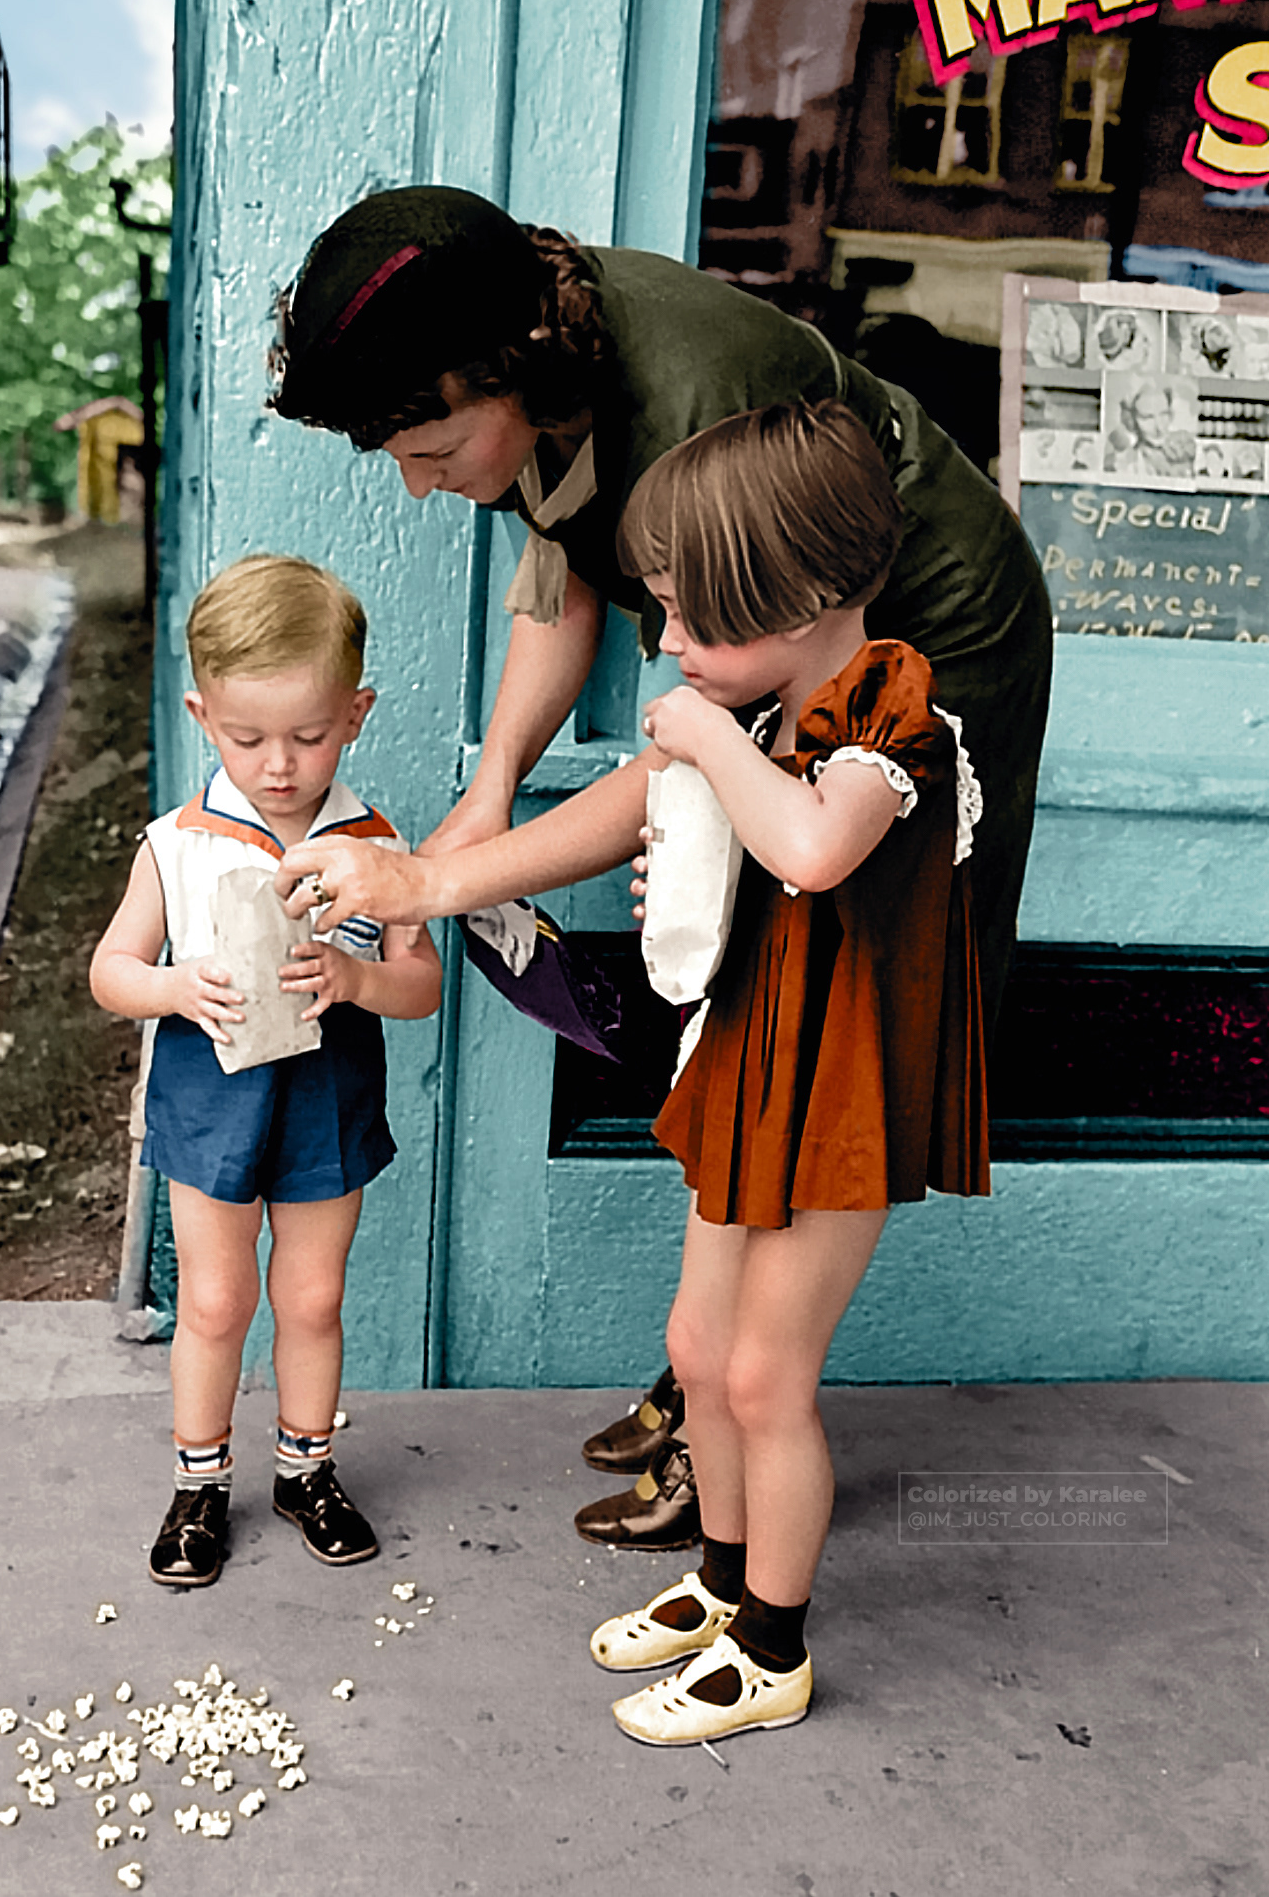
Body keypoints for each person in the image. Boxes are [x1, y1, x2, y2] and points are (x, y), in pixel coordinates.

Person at [271, 185, 1049, 1549]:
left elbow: (685, 764)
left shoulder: (699, 410)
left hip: (933, 640)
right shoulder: (527, 353)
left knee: (823, 1012)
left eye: (430, 443)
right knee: (744, 1008)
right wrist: (490, 790)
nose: (415, 479)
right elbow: (566, 576)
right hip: (770, 687)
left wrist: (434, 884)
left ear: (504, 375)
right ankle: (708, 1365)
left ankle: (740, 1398)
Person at [282, 399, 989, 1742]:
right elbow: (606, 820)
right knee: (696, 1352)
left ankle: (770, 1653)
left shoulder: (885, 703)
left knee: (766, 1380)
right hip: (745, 1072)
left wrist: (711, 742)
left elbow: (813, 848)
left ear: (816, 593)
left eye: (692, 618)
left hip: (836, 1102)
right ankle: (721, 1584)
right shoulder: (763, 705)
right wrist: (421, 881)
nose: (665, 647)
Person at [90, 555, 442, 1587]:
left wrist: (357, 976)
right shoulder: (178, 843)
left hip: (324, 1100)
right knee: (211, 1300)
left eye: (310, 734)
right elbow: (111, 970)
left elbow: (419, 987)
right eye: (247, 739)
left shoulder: (377, 849)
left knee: (314, 1295)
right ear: (203, 716)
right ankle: (199, 1485)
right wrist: (176, 987)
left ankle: (306, 1469)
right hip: (209, 1098)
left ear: (357, 712)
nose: (279, 765)